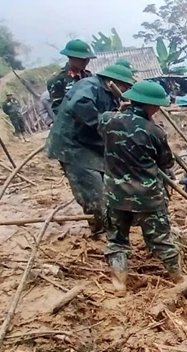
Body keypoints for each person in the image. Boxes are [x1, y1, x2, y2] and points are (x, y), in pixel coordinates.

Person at [100, 80, 184, 294]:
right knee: (161, 240)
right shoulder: (155, 131)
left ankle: (119, 283)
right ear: (151, 106)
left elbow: (103, 130)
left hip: (115, 195)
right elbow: (166, 163)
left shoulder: (108, 120)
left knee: (117, 241)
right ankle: (178, 278)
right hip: (147, 196)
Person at [45, 64, 136, 236]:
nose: (125, 90)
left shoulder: (108, 93)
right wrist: (109, 120)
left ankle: (106, 222)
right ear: (113, 81)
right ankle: (104, 231)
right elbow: (81, 107)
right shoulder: (90, 86)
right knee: (93, 190)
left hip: (90, 144)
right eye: (125, 86)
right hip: (72, 147)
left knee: (108, 184)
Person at [47, 39, 96, 114]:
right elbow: (58, 108)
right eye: (82, 59)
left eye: (87, 59)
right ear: (71, 57)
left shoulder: (89, 76)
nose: (86, 62)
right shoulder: (57, 79)